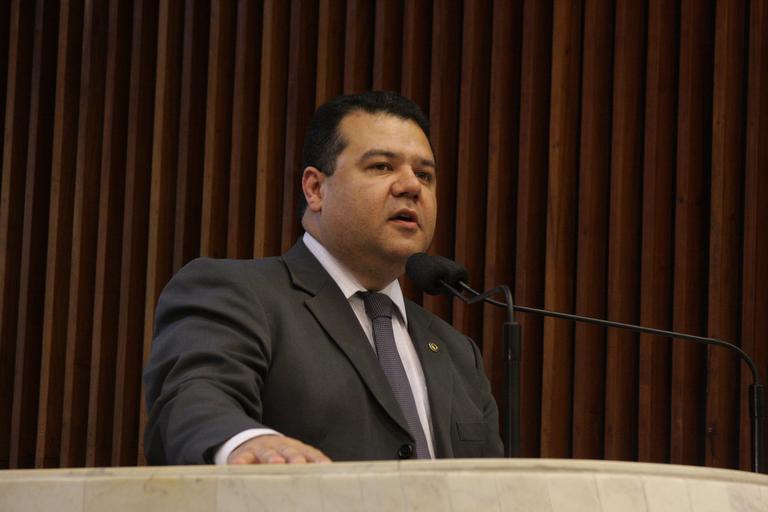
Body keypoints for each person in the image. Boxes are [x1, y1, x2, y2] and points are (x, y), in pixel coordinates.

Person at [143, 91, 503, 465]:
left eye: (425, 175)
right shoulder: (237, 294)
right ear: (315, 189)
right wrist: (245, 443)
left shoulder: (457, 352)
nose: (412, 186)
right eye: (382, 166)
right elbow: (193, 395)